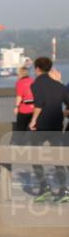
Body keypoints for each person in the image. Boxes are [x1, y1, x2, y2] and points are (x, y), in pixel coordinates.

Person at [28, 57, 69, 203]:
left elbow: (39, 104)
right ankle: (64, 189)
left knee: (34, 155)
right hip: (57, 125)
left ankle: (44, 186)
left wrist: (33, 120)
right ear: (50, 68)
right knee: (58, 157)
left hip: (42, 126)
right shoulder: (59, 85)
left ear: (37, 68)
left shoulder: (36, 84)